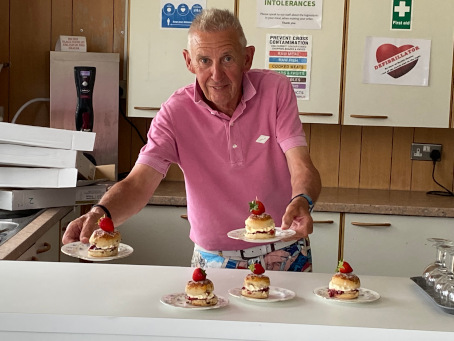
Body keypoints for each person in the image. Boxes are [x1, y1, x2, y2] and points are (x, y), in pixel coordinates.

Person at [63, 8, 321, 271]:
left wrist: (303, 199)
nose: (217, 75)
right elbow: (139, 183)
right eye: (205, 61)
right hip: (213, 260)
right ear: (189, 62)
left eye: (228, 58)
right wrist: (99, 213)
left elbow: (301, 164)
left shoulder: (276, 91)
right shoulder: (175, 112)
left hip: (284, 250)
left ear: (247, 58)